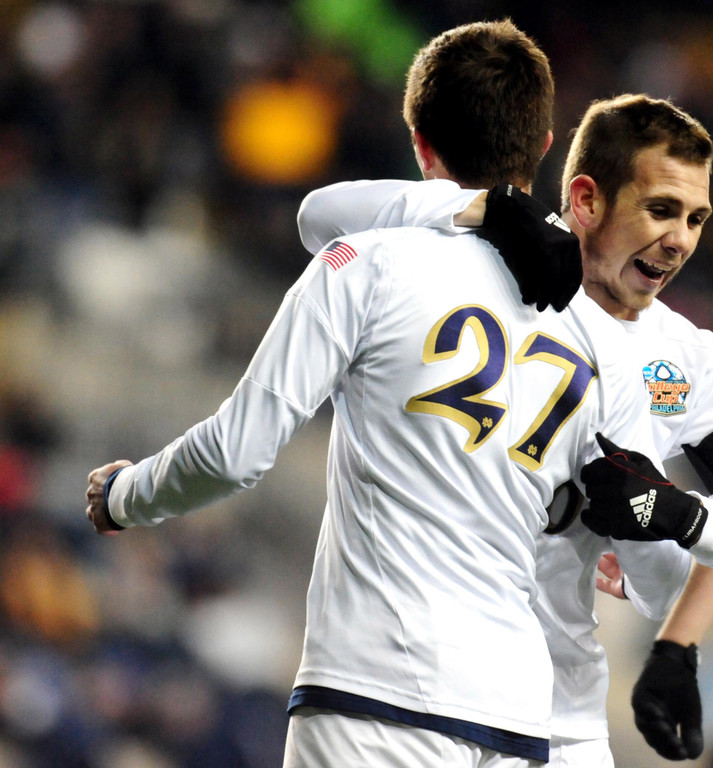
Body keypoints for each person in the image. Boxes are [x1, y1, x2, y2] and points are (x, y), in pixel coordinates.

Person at [82, 21, 679, 768]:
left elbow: (237, 453)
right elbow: (642, 549)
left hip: (375, 697)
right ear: (548, 145)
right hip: (522, 717)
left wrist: (124, 495)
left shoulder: (367, 264)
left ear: (419, 142)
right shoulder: (595, 330)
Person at [294, 93, 713, 765]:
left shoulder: (685, 357)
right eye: (660, 209)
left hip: (559, 723)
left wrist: (676, 513)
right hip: (411, 683)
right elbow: (319, 215)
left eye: (695, 218)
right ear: (587, 199)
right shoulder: (472, 263)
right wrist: (483, 209)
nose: (680, 239)